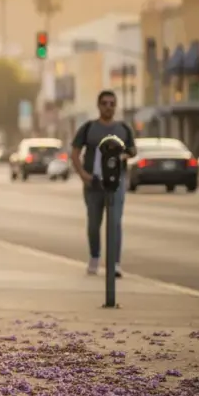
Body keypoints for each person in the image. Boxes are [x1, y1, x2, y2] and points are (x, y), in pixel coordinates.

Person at [70, 90, 136, 277]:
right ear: (98, 105)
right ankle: (94, 257)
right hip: (94, 184)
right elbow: (75, 152)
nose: (108, 107)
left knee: (114, 222)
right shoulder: (89, 128)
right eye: (105, 103)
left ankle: (115, 263)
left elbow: (132, 151)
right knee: (93, 223)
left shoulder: (123, 128)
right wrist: (83, 174)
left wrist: (120, 156)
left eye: (112, 104)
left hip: (115, 183)